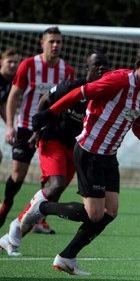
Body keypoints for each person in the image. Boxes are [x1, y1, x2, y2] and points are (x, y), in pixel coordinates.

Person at [20, 44, 140, 276]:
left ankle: (67, 257)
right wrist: (49, 113)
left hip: (109, 156)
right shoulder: (118, 81)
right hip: (89, 152)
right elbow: (78, 93)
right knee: (95, 214)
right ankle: (41, 207)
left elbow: (139, 127)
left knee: (111, 211)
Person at [0, 48, 109, 257]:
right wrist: (38, 130)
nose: (102, 68)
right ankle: (14, 228)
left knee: (54, 193)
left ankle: (13, 234)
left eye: (105, 64)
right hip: (53, 141)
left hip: (76, 149)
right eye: (97, 64)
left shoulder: (106, 95)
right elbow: (44, 101)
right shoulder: (73, 87)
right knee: (55, 185)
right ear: (87, 67)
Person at [0, 27, 74, 232]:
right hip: (25, 126)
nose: (55, 45)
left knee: (55, 179)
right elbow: (14, 96)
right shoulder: (28, 65)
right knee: (18, 176)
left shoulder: (66, 70)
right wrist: (9, 125)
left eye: (58, 41)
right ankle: (6, 206)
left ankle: (39, 219)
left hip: (51, 130)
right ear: (43, 44)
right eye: (51, 41)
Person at [0, 48, 21, 165]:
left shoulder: (10, 82)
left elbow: (2, 106)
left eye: (15, 62)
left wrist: (10, 127)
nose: (13, 65)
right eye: (9, 62)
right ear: (1, 62)